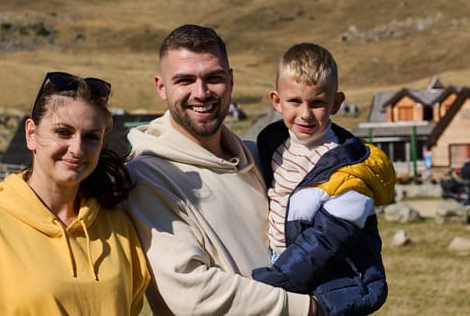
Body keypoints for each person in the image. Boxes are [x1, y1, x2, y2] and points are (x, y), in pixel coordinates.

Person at [124, 24, 314, 315]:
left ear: (231, 80)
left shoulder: (260, 157)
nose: (201, 93)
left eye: (213, 78)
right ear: (161, 87)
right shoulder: (147, 176)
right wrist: (309, 308)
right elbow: (195, 295)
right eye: (184, 80)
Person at [0, 72, 149, 315]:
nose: (77, 149)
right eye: (63, 132)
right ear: (31, 134)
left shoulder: (120, 228)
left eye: (91, 137)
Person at [251, 43, 396, 316]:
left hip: (327, 280)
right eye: (294, 101)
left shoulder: (350, 171)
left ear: (336, 103)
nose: (305, 114)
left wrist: (276, 280)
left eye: (317, 103)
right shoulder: (273, 143)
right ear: (276, 100)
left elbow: (326, 242)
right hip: (281, 265)